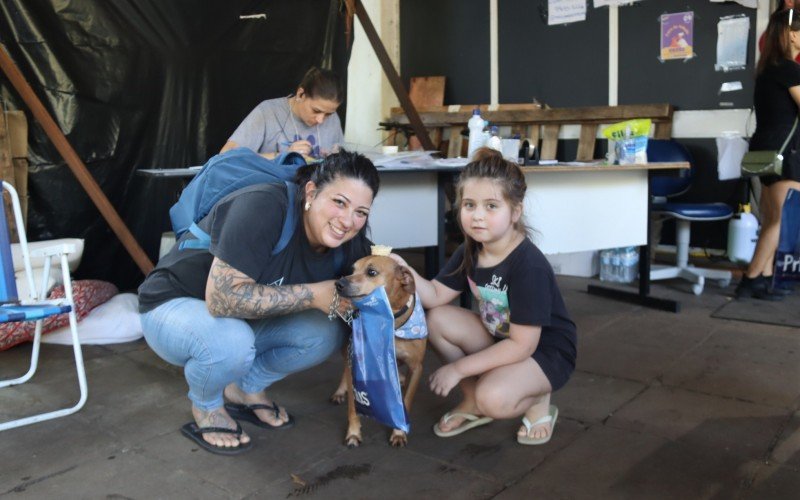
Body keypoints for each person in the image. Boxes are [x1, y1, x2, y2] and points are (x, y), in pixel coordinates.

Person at [138, 150, 379, 454]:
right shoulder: (265, 205)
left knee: (327, 330)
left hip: (241, 321)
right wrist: (315, 294)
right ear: (311, 192)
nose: (347, 221)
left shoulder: (351, 240)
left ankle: (244, 388)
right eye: (339, 202)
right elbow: (222, 299)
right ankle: (207, 405)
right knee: (230, 342)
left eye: (361, 212)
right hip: (173, 305)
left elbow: (376, 281)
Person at [392, 148, 577, 445]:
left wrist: (457, 368)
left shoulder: (528, 266)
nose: (477, 216)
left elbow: (522, 345)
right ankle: (471, 401)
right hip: (503, 337)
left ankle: (538, 397)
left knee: (493, 397)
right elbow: (436, 295)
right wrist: (403, 269)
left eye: (491, 206)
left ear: (515, 212)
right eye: (469, 204)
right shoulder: (472, 249)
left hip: (544, 352)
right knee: (437, 319)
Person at [737, 8, 800, 300]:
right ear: (790, 34)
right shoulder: (788, 68)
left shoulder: (767, 69)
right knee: (779, 221)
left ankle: (761, 279)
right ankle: (750, 279)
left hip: (765, 150)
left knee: (771, 218)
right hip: (786, 153)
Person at [220, 67, 345, 159]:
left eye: (328, 114)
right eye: (316, 111)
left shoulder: (333, 118)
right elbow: (226, 155)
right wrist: (282, 156)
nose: (321, 120)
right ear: (300, 94)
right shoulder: (268, 112)